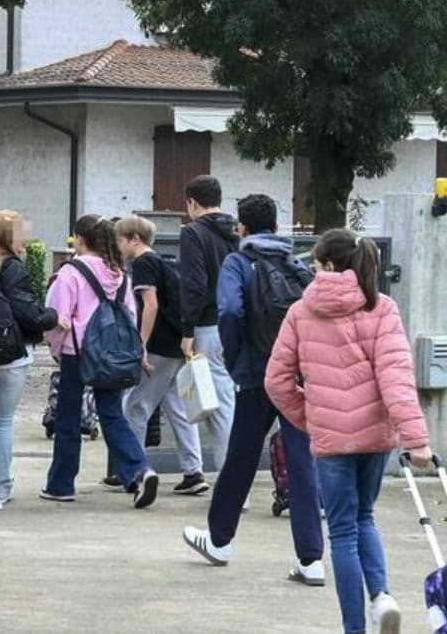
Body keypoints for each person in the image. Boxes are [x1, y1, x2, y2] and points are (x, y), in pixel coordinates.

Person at [266, 229, 432, 634]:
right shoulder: (383, 308)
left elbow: (276, 381)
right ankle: (381, 595)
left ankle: (354, 628)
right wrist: (417, 441)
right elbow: (396, 378)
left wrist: (311, 417)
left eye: (315, 264)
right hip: (374, 436)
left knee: (341, 531)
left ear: (326, 265)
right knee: (365, 517)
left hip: (331, 439)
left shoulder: (301, 312)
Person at [183, 194, 325, 587]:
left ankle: (219, 540)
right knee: (301, 460)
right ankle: (311, 559)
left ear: (241, 228)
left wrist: (236, 358)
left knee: (241, 458)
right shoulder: (295, 263)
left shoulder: (238, 262)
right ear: (276, 226)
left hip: (256, 375)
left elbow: (229, 311)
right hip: (296, 375)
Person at [41, 214, 160, 509]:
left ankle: (61, 484)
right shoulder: (120, 275)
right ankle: (139, 470)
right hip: (113, 355)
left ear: (80, 240)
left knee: (68, 419)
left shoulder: (71, 273)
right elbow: (130, 315)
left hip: (77, 353)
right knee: (112, 416)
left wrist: (55, 348)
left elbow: (58, 317)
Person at [0, 210, 58, 512]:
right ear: (10, 237)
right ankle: (2, 486)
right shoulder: (14, 268)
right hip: (12, 355)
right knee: (3, 422)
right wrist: (54, 316)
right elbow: (28, 313)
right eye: (22, 233)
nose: (26, 239)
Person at [111, 216, 210, 496]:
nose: (118, 247)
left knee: (136, 406)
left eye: (120, 240)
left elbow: (150, 305)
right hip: (177, 344)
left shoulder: (143, 263)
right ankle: (193, 471)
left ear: (135, 239)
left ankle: (135, 471)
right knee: (178, 408)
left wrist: (140, 345)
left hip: (158, 346)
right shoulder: (166, 263)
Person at [178, 175, 240, 471]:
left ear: (192, 202)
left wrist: (187, 330)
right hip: (234, 325)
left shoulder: (193, 233)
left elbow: (195, 285)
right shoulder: (235, 232)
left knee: (218, 410)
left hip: (206, 326)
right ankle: (234, 476)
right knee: (229, 402)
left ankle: (230, 481)